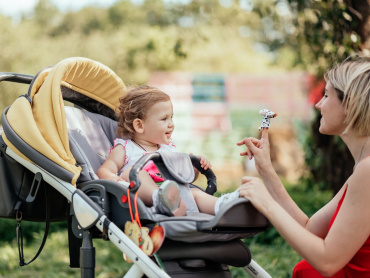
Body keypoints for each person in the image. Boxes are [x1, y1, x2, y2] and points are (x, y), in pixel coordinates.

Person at [237, 54, 370, 277]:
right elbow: (310, 230)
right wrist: (266, 169)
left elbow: (328, 262)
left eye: (326, 95)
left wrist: (266, 203)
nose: (318, 104)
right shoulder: (362, 170)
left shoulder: (368, 171)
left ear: (350, 104)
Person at [97, 85, 239, 217]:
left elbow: (181, 178)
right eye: (164, 119)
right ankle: (160, 198)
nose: (171, 124)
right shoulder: (126, 148)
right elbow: (104, 171)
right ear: (139, 125)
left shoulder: (168, 149)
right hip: (144, 200)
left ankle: (226, 205)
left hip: (176, 195)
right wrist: (116, 180)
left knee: (194, 193)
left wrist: (193, 169)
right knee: (132, 172)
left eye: (171, 117)